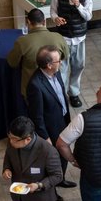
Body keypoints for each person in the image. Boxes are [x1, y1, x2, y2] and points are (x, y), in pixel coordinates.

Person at [24, 46, 74, 192]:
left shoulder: (55, 73)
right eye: (59, 60)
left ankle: (60, 179)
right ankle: (51, 190)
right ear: (49, 65)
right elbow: (36, 116)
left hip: (63, 121)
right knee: (51, 161)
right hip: (50, 129)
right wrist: (45, 137)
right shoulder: (35, 85)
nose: (62, 63)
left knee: (63, 153)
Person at [51, 0, 93, 108]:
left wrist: (79, 5)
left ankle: (74, 93)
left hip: (79, 38)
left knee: (78, 66)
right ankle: (61, 93)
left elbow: (88, 16)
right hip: (62, 38)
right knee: (61, 67)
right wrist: (56, 19)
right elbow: (53, 11)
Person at [6, 7, 68, 99]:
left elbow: (12, 63)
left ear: (28, 22)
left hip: (33, 91)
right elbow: (65, 56)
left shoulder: (22, 41)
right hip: (56, 87)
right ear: (44, 22)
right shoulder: (58, 37)